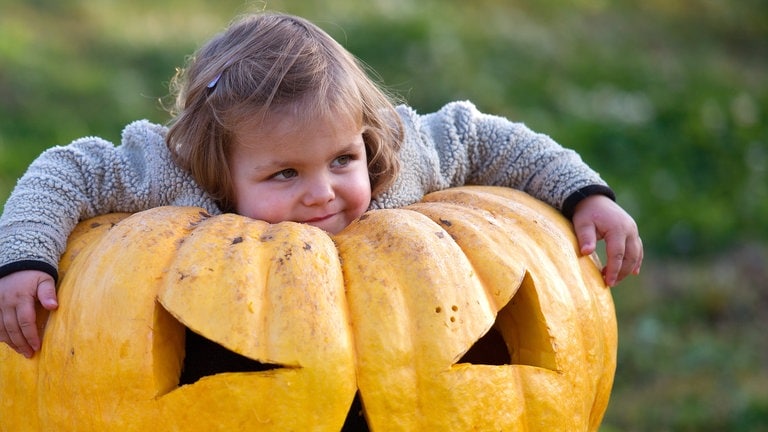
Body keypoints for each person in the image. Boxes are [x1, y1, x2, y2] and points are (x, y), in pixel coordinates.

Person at [0, 11, 642, 359]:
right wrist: (24, 260)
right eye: (284, 174)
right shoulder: (169, 171)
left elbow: (483, 137)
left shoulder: (400, 153)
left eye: (342, 159)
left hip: (399, 348)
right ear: (218, 167)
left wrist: (583, 192)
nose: (323, 192)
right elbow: (67, 168)